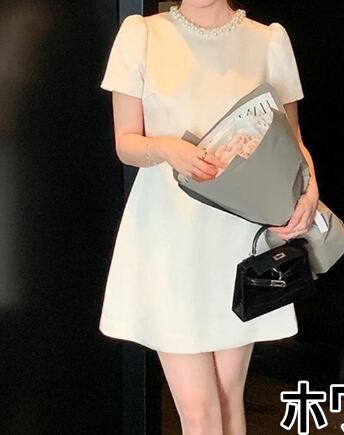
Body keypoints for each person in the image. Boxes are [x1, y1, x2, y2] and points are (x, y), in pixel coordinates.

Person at [99, 1, 320, 434]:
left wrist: (310, 190)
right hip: (168, 239)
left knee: (227, 396)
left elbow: (292, 143)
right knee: (198, 409)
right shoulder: (142, 34)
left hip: (238, 241)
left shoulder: (268, 40)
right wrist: (168, 148)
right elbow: (125, 142)